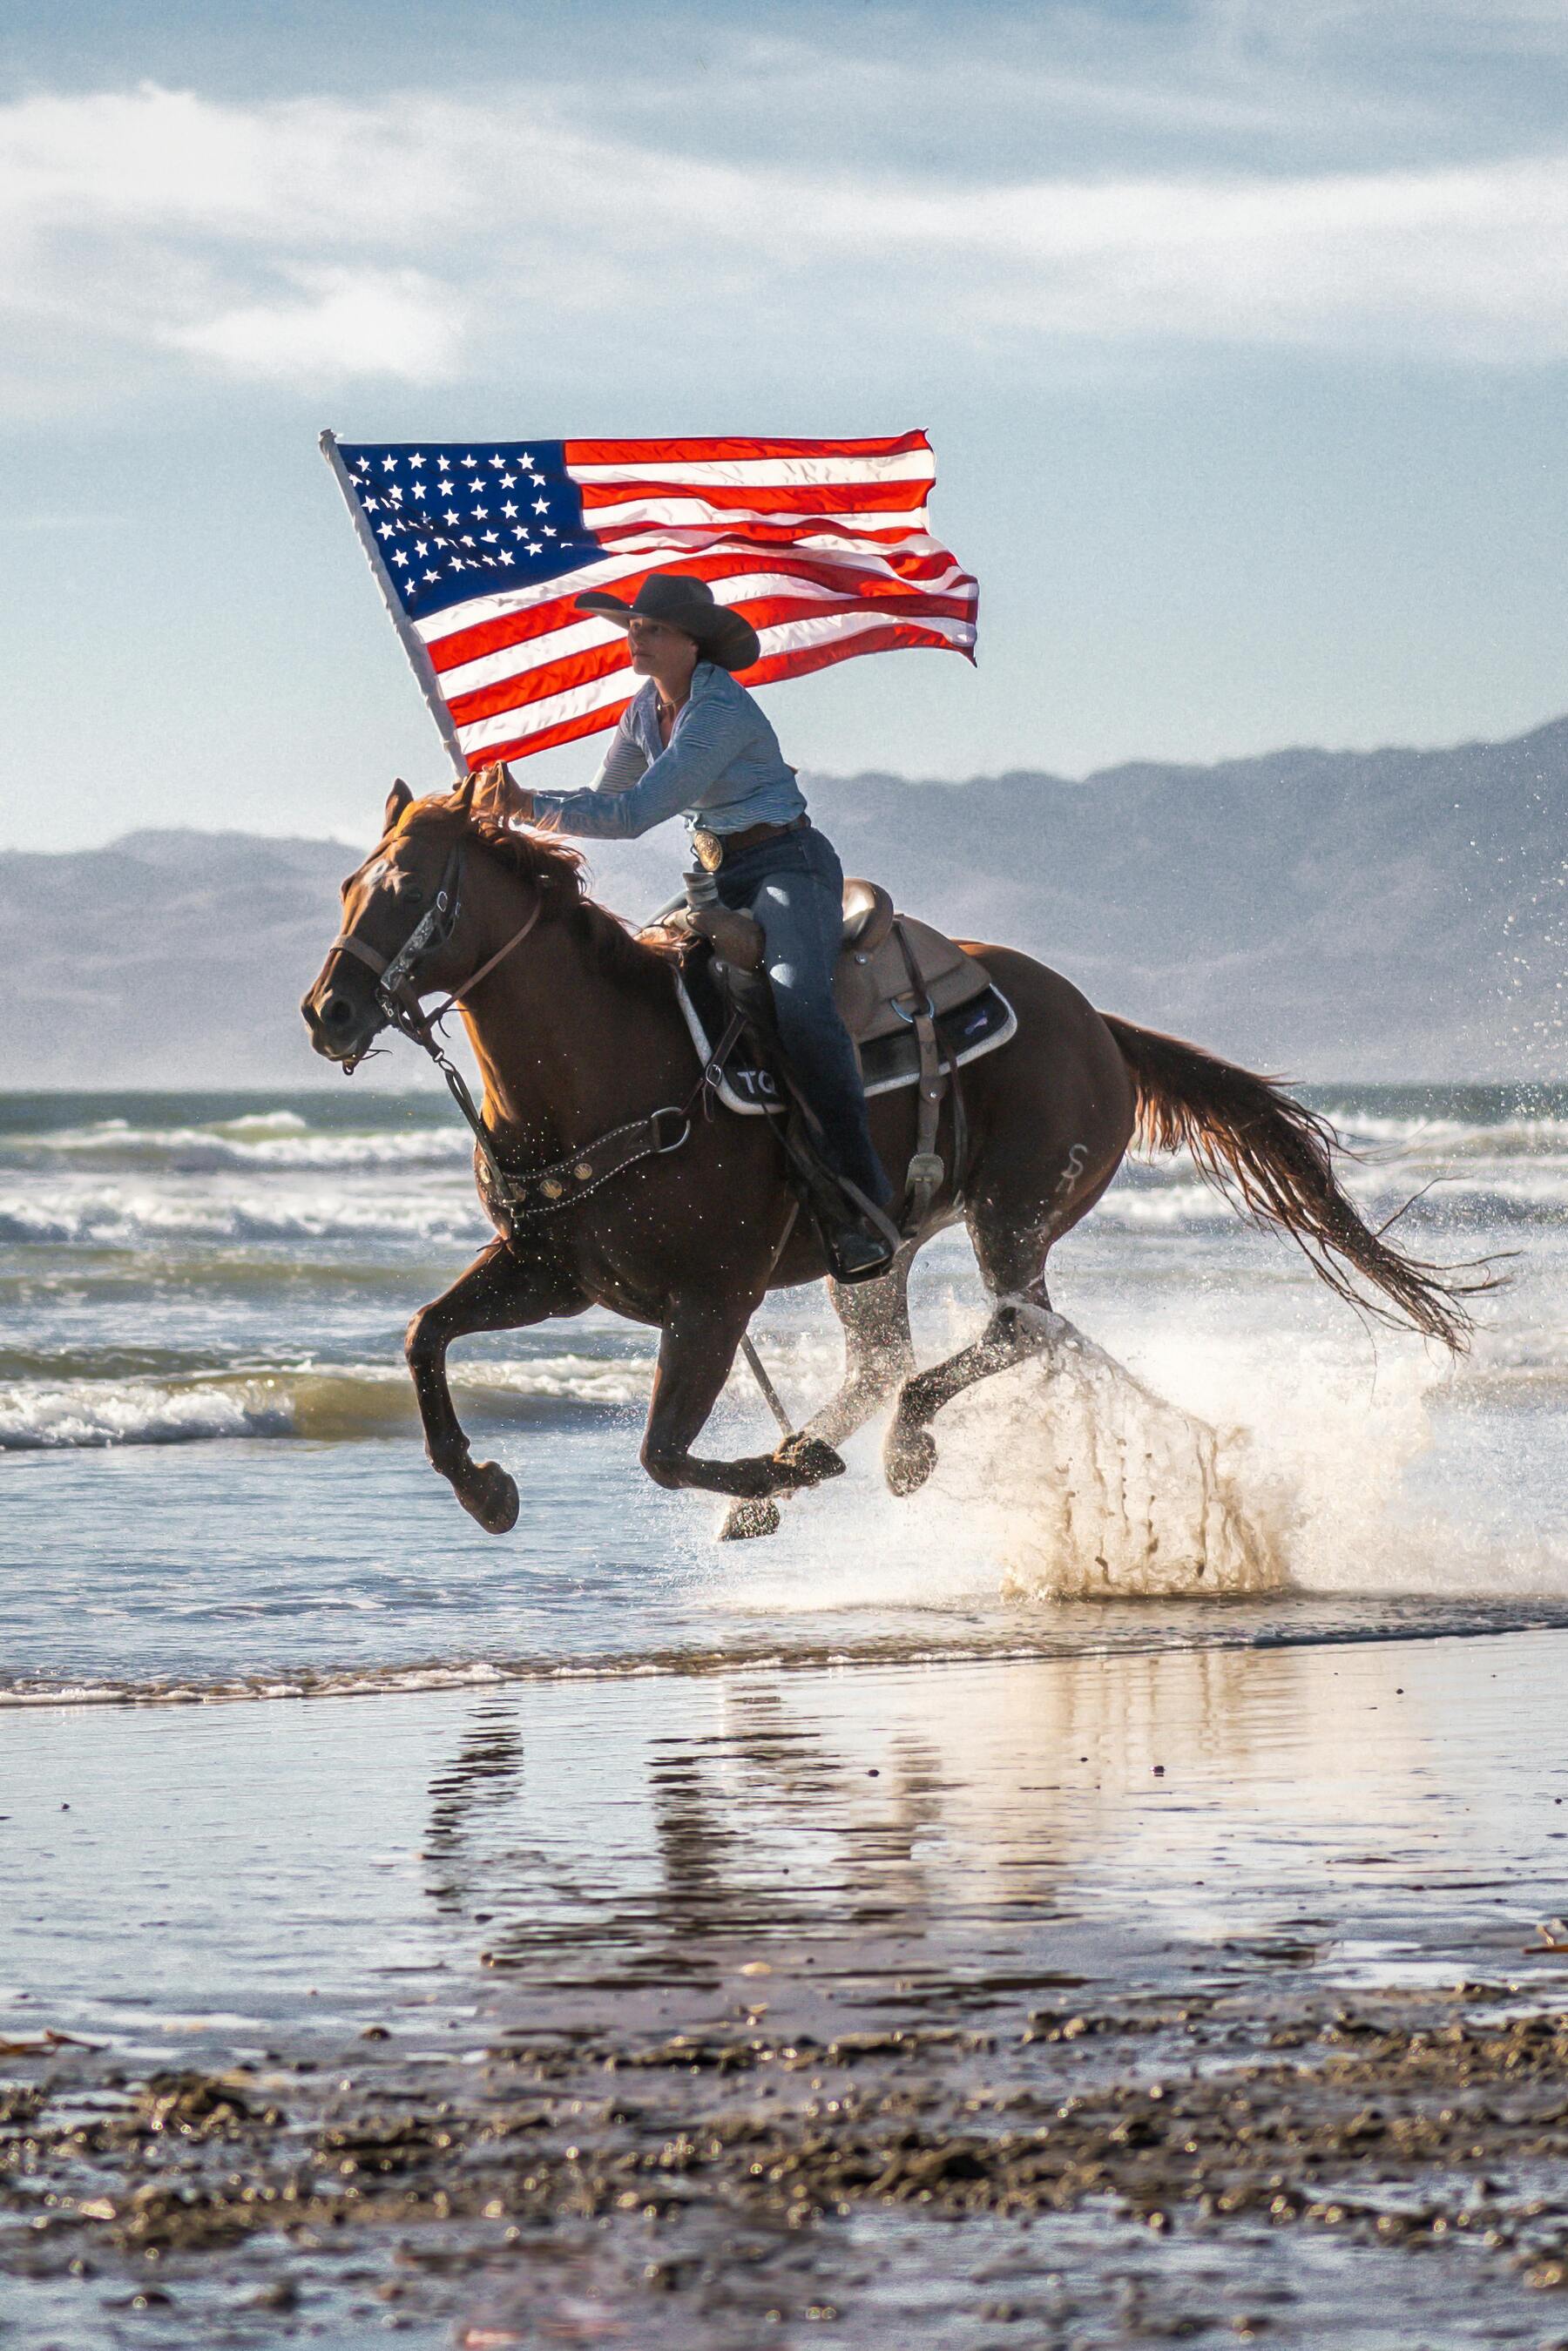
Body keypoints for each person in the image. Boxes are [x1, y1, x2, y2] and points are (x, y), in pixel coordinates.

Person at [476, 571, 896, 1277]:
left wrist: (524, 804)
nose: (636, 638)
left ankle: (863, 1194)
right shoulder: (644, 710)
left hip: (787, 866)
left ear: (691, 642)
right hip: (717, 877)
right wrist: (519, 807)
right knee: (634, 974)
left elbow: (637, 812)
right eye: (633, 627)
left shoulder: (719, 713)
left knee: (799, 1002)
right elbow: (607, 800)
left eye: (653, 629)